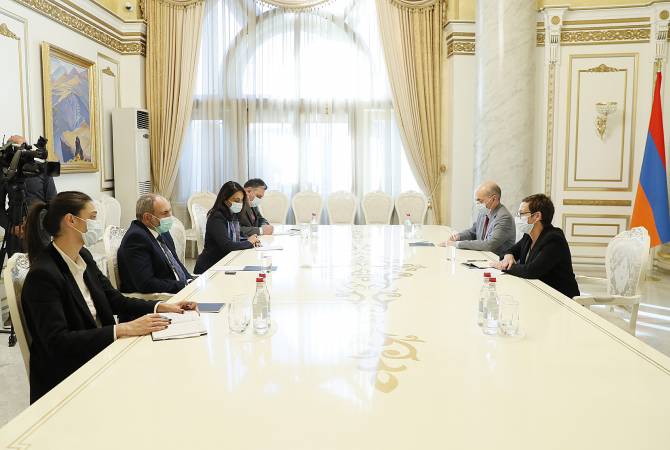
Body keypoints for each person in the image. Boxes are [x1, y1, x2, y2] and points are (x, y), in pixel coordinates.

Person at [21, 191, 197, 403]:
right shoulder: (43, 275)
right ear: (71, 220)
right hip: (70, 378)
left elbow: (115, 299)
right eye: (93, 217)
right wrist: (122, 329)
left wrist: (160, 306)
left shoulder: (82, 255)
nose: (97, 224)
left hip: (100, 355)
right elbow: (57, 342)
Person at [492, 193, 580, 298]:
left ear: (537, 216)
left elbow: (531, 271)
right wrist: (508, 256)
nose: (518, 218)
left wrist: (503, 266)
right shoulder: (528, 236)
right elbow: (509, 251)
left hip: (561, 298)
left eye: (521, 214)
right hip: (538, 293)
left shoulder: (554, 239)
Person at [117, 193, 192, 295]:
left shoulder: (161, 231)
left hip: (179, 289)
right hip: (162, 297)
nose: (170, 217)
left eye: (170, 211)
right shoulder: (136, 238)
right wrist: (183, 286)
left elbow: (176, 262)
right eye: (165, 213)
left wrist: (190, 281)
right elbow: (146, 284)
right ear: (147, 217)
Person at [0, 135, 57, 256]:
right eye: (19, 148)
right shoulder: (4, 172)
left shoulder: (40, 169)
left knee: (42, 265)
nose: (23, 151)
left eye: (25, 147)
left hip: (40, 232)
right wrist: (12, 228)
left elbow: (52, 203)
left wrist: (39, 224)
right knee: (14, 266)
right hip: (14, 231)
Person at [194, 181, 261, 274]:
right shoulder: (216, 217)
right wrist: (249, 242)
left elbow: (235, 237)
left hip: (225, 263)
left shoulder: (232, 214)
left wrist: (250, 240)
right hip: (210, 268)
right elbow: (227, 245)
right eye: (236, 200)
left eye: (242, 200)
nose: (240, 203)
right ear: (225, 200)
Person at [441, 181, 515, 256]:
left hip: (497, 260)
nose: (477, 203)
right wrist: (458, 237)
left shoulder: (504, 218)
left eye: (480, 200)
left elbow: (489, 244)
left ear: (494, 199)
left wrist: (457, 244)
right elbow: (473, 232)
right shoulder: (484, 212)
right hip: (481, 256)